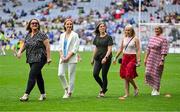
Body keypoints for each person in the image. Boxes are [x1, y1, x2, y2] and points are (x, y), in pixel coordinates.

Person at [17, 18, 51, 101]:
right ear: (30, 25)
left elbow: (47, 46)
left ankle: (26, 95)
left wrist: (49, 58)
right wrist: (20, 51)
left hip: (40, 57)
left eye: (36, 23)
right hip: (31, 58)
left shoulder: (42, 35)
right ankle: (43, 94)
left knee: (32, 75)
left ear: (38, 25)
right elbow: (25, 44)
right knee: (38, 76)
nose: (34, 24)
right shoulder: (28, 35)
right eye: (33, 23)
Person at [113, 25, 141, 99]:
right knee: (125, 77)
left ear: (132, 31)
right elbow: (121, 49)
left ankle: (135, 87)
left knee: (128, 74)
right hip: (125, 57)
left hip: (132, 58)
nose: (127, 31)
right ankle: (126, 94)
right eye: (126, 30)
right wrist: (115, 57)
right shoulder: (124, 38)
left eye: (129, 30)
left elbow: (138, 50)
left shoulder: (135, 39)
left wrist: (138, 60)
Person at [58, 19, 80, 99]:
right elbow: (60, 47)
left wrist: (67, 57)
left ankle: (69, 92)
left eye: (71, 24)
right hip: (63, 58)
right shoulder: (62, 35)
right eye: (67, 24)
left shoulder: (75, 35)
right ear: (64, 25)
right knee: (60, 74)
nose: (69, 25)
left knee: (71, 76)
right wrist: (62, 57)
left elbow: (75, 48)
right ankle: (66, 89)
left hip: (72, 58)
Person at [144, 26, 168, 96]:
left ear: (161, 30)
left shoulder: (163, 39)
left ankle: (156, 90)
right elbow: (148, 49)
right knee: (147, 73)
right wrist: (145, 58)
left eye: (158, 29)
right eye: (155, 29)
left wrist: (162, 60)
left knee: (156, 74)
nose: (156, 30)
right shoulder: (152, 38)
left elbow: (164, 50)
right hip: (150, 57)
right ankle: (154, 87)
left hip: (158, 58)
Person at [91, 22, 113, 97]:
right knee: (95, 74)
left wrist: (105, 57)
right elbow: (96, 48)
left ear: (105, 28)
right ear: (98, 28)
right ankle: (104, 87)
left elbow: (109, 49)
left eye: (104, 26)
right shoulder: (97, 37)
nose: (102, 27)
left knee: (104, 75)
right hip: (98, 58)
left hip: (106, 59)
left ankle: (102, 92)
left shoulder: (109, 37)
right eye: (101, 26)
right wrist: (92, 58)